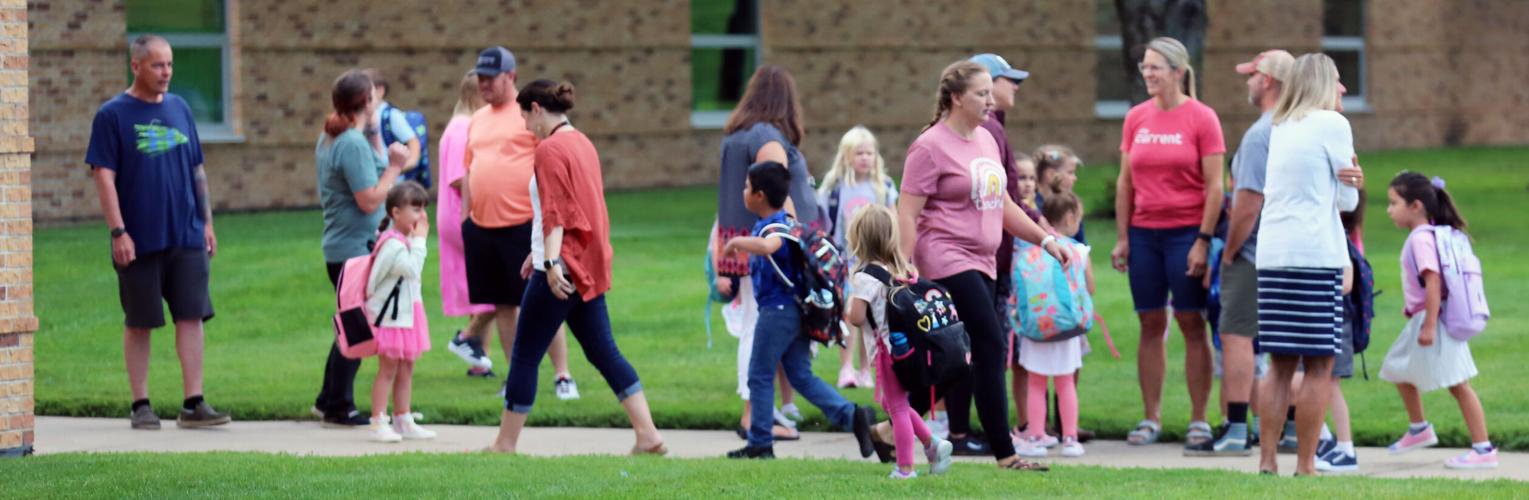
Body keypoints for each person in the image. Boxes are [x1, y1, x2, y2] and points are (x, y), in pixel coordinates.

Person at [898, 60, 1069, 472]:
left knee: (958, 356)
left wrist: (1045, 239)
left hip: (984, 260)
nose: (991, 101)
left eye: (991, 93)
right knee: (990, 344)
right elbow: (907, 211)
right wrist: (903, 262)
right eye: (982, 94)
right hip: (945, 256)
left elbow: (1005, 205)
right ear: (956, 98)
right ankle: (1006, 454)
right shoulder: (930, 145)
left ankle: (894, 426)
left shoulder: (987, 141)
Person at [487, 80, 665, 455]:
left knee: (524, 355)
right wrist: (536, 253)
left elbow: (558, 213)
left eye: (523, 114)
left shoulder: (549, 149)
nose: (523, 124)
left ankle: (504, 444)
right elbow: (576, 207)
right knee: (603, 351)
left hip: (561, 269)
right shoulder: (582, 142)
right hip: (583, 263)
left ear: (536, 108)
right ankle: (648, 435)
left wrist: (549, 262)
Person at [87, 34, 232, 429]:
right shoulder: (112, 115)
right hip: (139, 237)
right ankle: (141, 405)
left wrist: (207, 223)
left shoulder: (181, 108)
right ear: (136, 66)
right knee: (140, 320)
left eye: (169, 64)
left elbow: (197, 169)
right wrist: (119, 231)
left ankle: (193, 402)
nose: (166, 72)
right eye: (157, 65)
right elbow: (104, 175)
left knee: (192, 316)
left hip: (186, 233)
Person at [1110, 37, 1226, 449]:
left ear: (1178, 71)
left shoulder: (1202, 118)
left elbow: (1216, 187)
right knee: (1149, 323)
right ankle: (1151, 417)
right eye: (1145, 67)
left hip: (1186, 234)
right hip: (1144, 235)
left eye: (1156, 67)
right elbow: (1126, 182)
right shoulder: (1136, 118)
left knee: (1192, 322)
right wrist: (1124, 237)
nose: (1148, 74)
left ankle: (1199, 419)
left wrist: (1202, 239)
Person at [1254, 52, 1363, 476]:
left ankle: (1266, 462)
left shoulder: (1281, 125)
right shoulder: (1333, 124)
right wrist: (1355, 180)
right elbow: (1347, 202)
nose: (1343, 89)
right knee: (1319, 365)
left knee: (1279, 366)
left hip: (1274, 253)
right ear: (1322, 83)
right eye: (1337, 80)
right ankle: (1305, 466)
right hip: (1315, 254)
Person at [724, 161, 877, 460]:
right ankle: (853, 416)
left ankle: (759, 442)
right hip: (796, 311)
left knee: (759, 375)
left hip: (777, 311)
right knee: (800, 375)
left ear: (759, 195)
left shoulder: (775, 227)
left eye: (746, 186)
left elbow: (770, 246)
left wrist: (738, 242)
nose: (743, 191)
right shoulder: (785, 220)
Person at [1186, 49, 1295, 457]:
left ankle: (1235, 429)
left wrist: (1229, 252)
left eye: (1251, 75)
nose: (1247, 82)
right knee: (1286, 343)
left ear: (1267, 81)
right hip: (1292, 251)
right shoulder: (1301, 127)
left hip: (1253, 253)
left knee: (1237, 337)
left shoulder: (1259, 135)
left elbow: (1248, 202)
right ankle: (1289, 430)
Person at [714, 65, 818, 441]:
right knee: (758, 330)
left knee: (760, 329)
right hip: (771, 252)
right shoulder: (767, 136)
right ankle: (753, 417)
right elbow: (777, 193)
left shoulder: (736, 136)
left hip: (748, 245)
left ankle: (763, 411)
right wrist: (797, 241)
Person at [1379, 172, 1496, 470]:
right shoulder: (1431, 234)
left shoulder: (1421, 239)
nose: (1389, 210)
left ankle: (1483, 449)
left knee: (1458, 384)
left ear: (1415, 206)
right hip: (1426, 318)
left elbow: (1433, 281)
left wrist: (1430, 325)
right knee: (1397, 368)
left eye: (1394, 203)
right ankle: (1419, 428)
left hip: (1434, 319)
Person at [313, 69, 408, 427]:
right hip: (353, 248)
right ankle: (338, 406)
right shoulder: (349, 143)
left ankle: (328, 399)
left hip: (345, 246)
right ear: (366, 102)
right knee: (356, 327)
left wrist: (378, 145)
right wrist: (396, 168)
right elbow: (369, 199)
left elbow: (372, 171)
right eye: (374, 96)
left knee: (351, 324)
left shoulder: (335, 136)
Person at [845, 205, 954, 479]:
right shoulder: (902, 269)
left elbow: (856, 318)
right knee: (896, 405)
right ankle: (933, 443)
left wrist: (850, 301)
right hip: (907, 350)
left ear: (860, 239)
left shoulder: (865, 276)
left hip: (887, 353)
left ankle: (905, 468)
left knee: (898, 410)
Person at [455, 46, 538, 381]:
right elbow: (469, 170)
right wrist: (465, 220)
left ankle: (553, 375)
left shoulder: (529, 114)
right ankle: (515, 379)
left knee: (531, 304)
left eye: (491, 78)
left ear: (511, 76)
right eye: (481, 78)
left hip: (521, 223)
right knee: (503, 305)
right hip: (482, 225)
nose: (484, 85)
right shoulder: (476, 119)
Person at [968, 53, 1034, 448]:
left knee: (983, 346)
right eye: (1010, 80)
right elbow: (1002, 197)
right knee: (987, 347)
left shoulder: (994, 127)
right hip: (987, 257)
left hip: (994, 255)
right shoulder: (988, 130)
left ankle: (964, 431)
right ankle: (993, 438)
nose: (1016, 87)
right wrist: (1040, 229)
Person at [817, 125, 897, 390]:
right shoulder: (836, 189)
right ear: (847, 156)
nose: (865, 158)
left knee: (874, 318)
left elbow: (893, 222)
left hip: (876, 265)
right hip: (845, 264)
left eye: (869, 153)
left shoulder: (883, 187)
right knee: (850, 316)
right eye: (859, 153)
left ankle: (866, 370)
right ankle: (846, 367)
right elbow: (825, 226)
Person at [1014, 192, 1093, 459]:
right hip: (1067, 330)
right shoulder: (1078, 250)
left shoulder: (1026, 252)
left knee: (1036, 383)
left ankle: (1036, 436)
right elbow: (1089, 287)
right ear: (1070, 218)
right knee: (1065, 382)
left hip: (1036, 328)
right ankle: (1070, 438)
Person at [365, 182, 436, 443]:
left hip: (408, 314)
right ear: (396, 212)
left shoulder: (403, 241)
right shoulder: (393, 244)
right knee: (388, 370)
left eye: (423, 209)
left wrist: (415, 240)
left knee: (407, 368)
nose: (422, 217)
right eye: (415, 209)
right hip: (392, 318)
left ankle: (402, 418)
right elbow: (411, 269)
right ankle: (378, 421)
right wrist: (420, 241)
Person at [436, 70, 497, 376]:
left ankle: (479, 361)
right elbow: (460, 179)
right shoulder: (463, 128)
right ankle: (466, 338)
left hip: (458, 215)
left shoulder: (459, 125)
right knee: (502, 288)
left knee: (484, 287)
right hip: (463, 215)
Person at [1315, 191, 1367, 471]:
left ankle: (1345, 448)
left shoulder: (1337, 238)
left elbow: (1346, 282)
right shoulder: (1338, 234)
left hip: (1336, 318)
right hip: (1326, 318)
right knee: (1309, 381)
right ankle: (1324, 439)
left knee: (1329, 383)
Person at [367, 70, 423, 181]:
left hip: (392, 184)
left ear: (380, 91)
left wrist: (397, 169)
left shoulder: (391, 115)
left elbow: (413, 142)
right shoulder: (366, 114)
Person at [1033, 145, 1086, 244]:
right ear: (1051, 174)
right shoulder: (1031, 207)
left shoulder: (1071, 205)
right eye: (1070, 172)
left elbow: (1082, 244)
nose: (1075, 178)